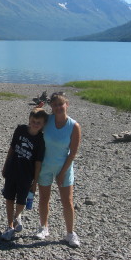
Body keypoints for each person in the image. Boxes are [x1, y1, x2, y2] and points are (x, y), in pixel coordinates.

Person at [36, 92, 81, 247]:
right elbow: (33, 125)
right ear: (52, 107)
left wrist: (62, 173)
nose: (58, 107)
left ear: (66, 105)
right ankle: (44, 227)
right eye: (54, 105)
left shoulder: (74, 126)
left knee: (67, 201)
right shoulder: (47, 120)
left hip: (64, 167)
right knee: (43, 198)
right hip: (46, 165)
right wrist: (37, 109)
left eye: (60, 104)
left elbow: (73, 152)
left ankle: (70, 233)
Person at [1, 108, 48, 241]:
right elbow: (11, 148)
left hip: (26, 175)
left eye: (38, 122)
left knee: (21, 200)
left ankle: (17, 217)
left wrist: (35, 182)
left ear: (43, 124)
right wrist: (5, 166)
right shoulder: (20, 130)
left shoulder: (40, 140)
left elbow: (38, 162)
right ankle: (10, 226)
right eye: (33, 121)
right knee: (9, 198)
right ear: (29, 120)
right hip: (12, 170)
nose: (35, 124)